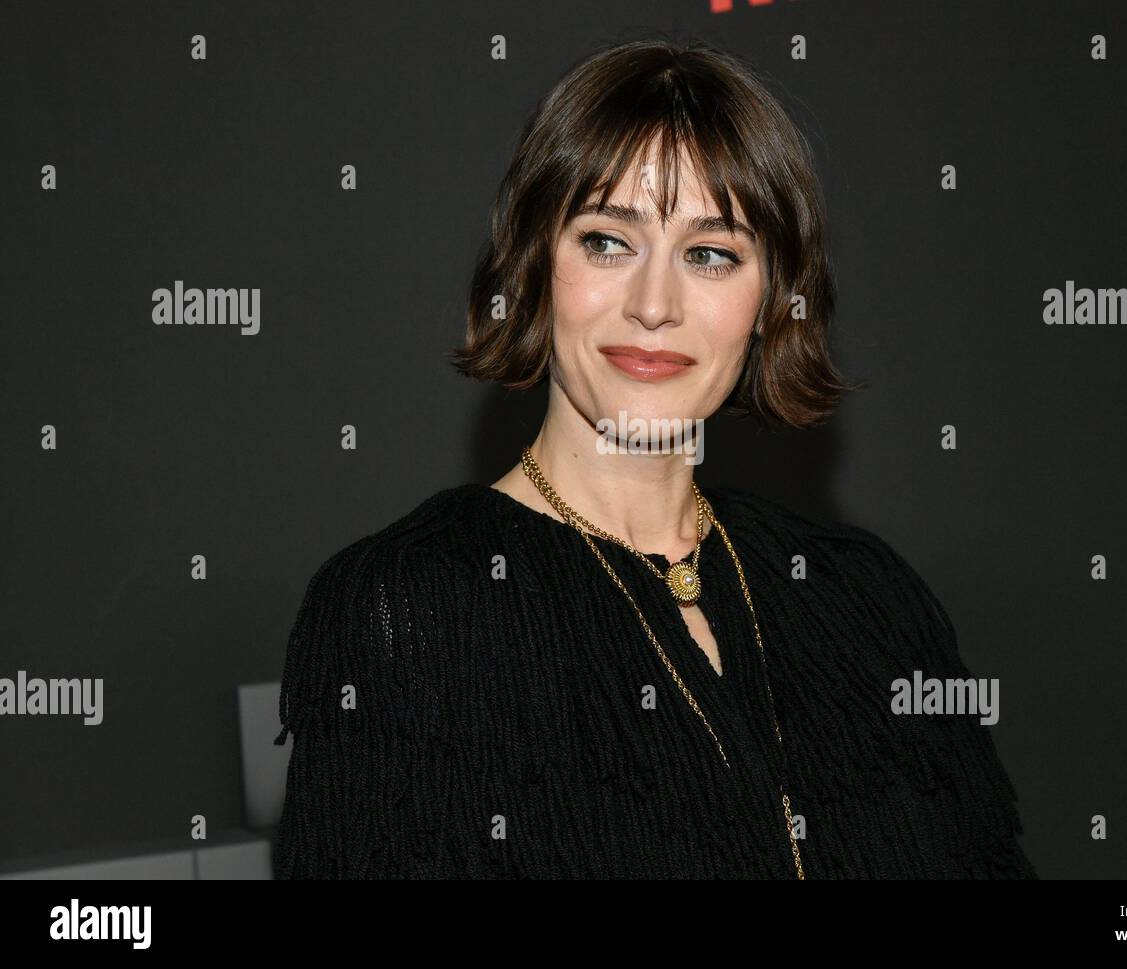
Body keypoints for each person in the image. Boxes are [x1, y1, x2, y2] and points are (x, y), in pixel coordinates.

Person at [272, 39, 1037, 879]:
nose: (654, 305)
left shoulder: (868, 599)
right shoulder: (403, 611)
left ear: (771, 302)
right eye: (607, 241)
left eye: (711, 254)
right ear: (533, 267)